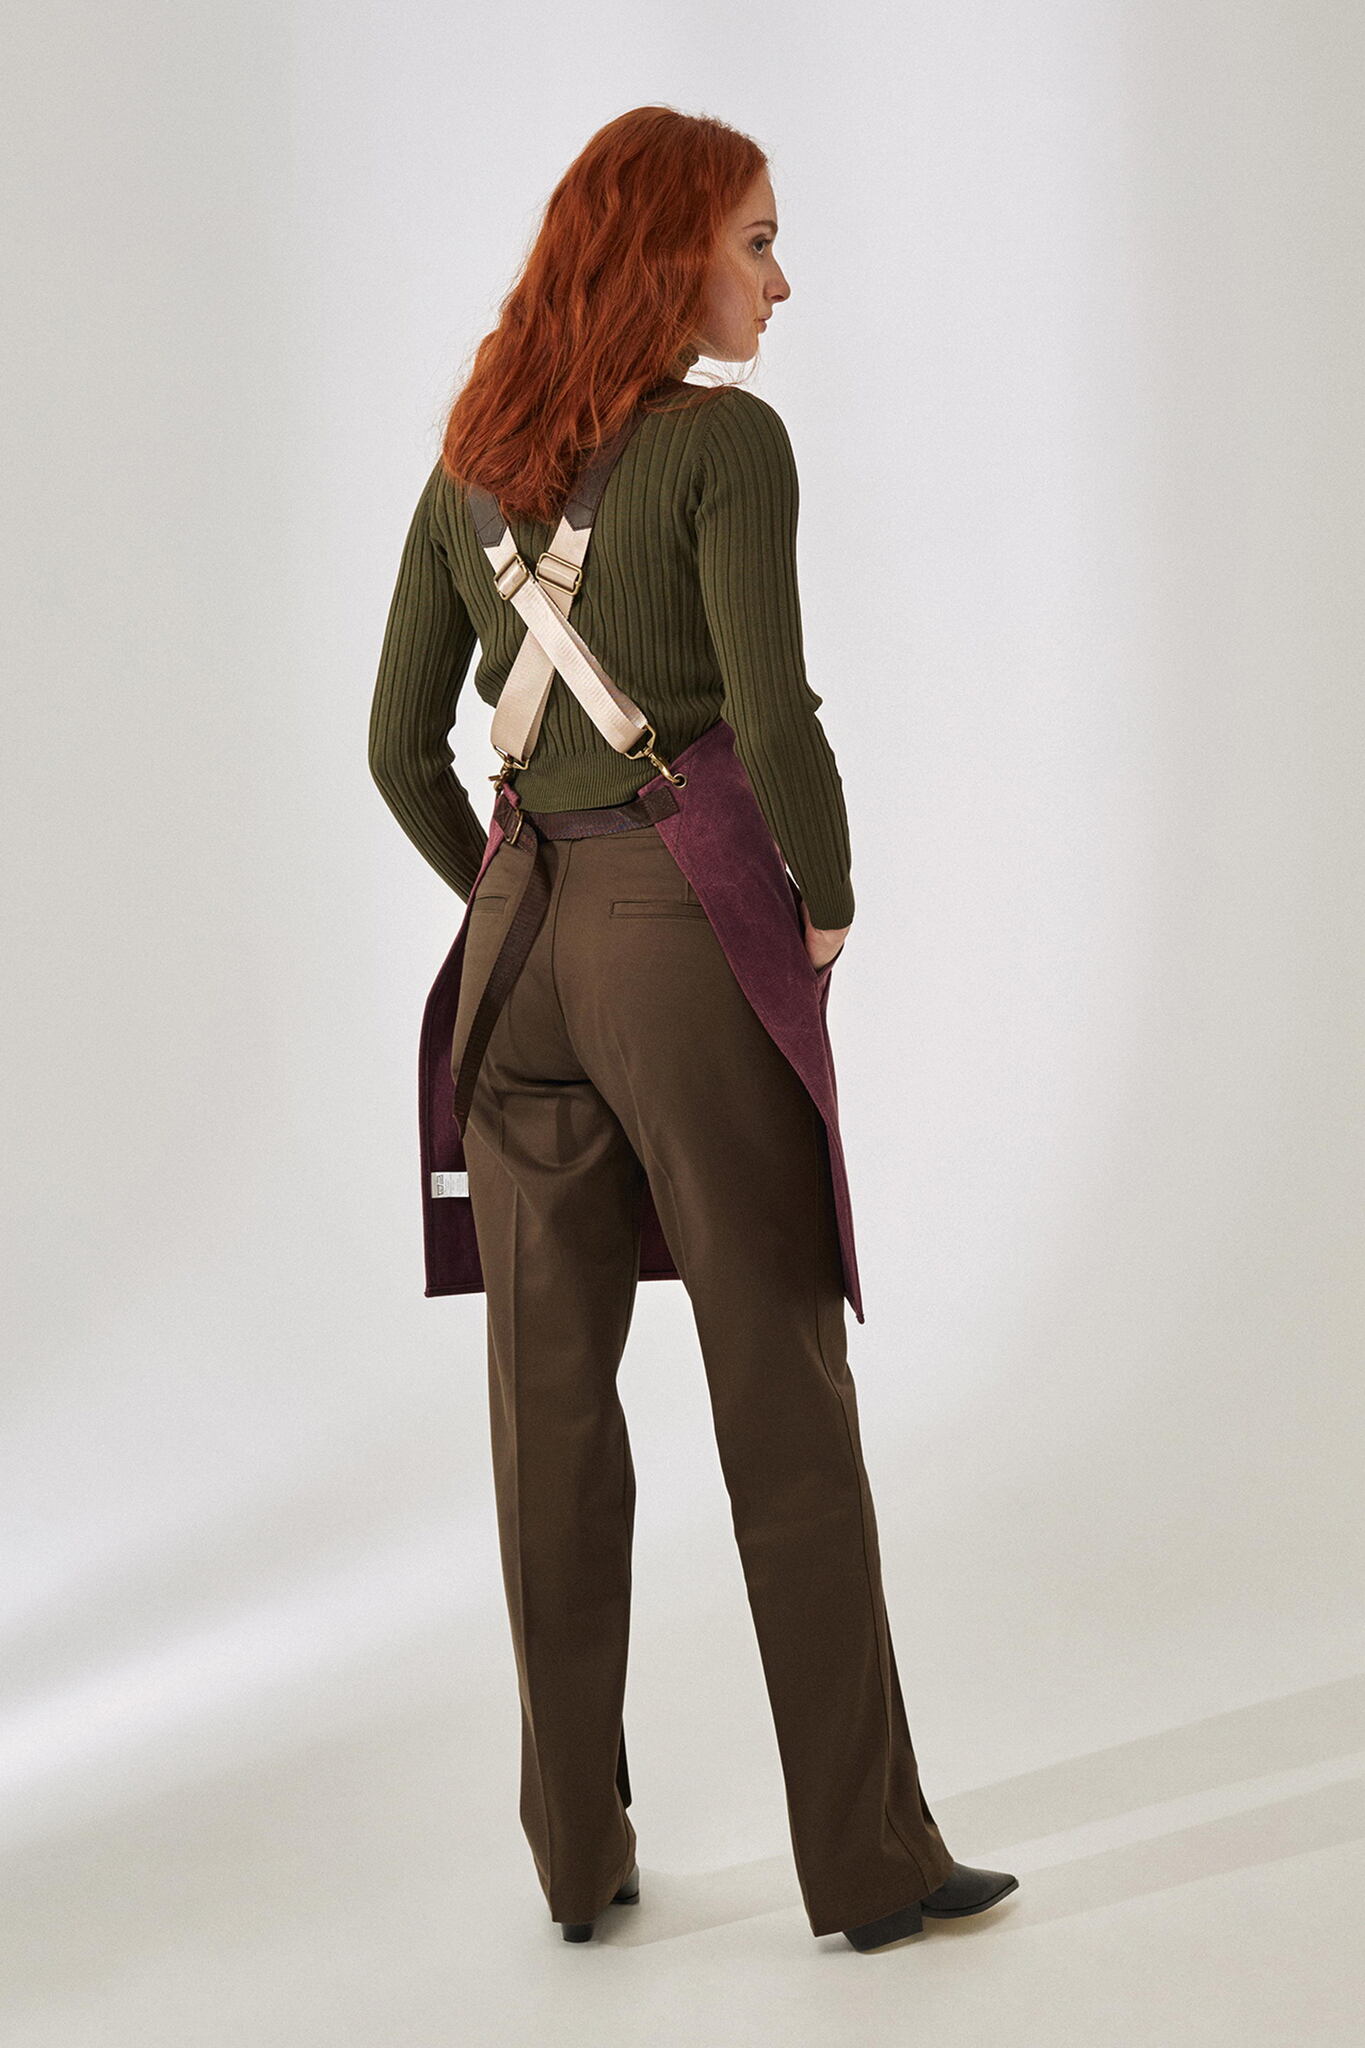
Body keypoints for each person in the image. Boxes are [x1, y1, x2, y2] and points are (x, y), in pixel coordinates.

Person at [368, 105, 1017, 1952]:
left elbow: (394, 747)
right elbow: (772, 707)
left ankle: (577, 1864)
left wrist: (513, 888)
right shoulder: (726, 446)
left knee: (545, 1414)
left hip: (516, 955)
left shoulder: (465, 469)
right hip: (678, 935)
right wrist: (825, 899)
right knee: (779, 1385)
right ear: (668, 256)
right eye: (755, 242)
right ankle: (870, 1868)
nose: (779, 282)